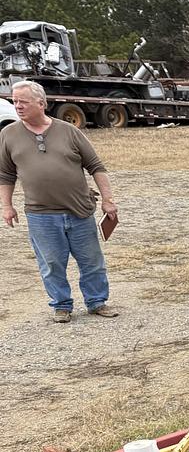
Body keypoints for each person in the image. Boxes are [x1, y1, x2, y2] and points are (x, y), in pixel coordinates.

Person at [0, 79, 119, 322]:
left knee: (92, 262)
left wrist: (108, 200)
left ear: (41, 103)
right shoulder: (8, 134)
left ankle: (97, 302)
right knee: (51, 264)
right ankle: (61, 305)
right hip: (40, 214)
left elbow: (96, 166)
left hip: (79, 211)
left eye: (23, 102)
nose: (18, 106)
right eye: (15, 102)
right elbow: (5, 174)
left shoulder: (69, 131)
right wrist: (7, 205)